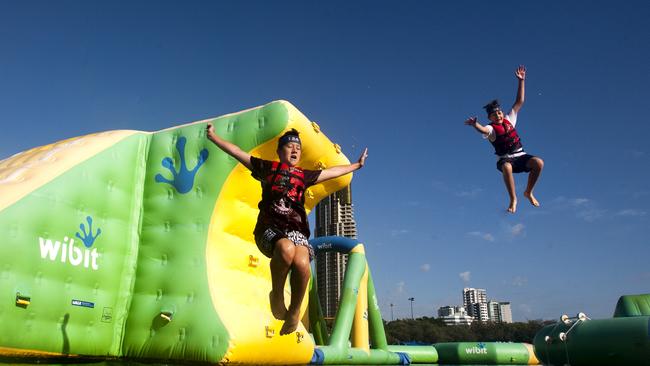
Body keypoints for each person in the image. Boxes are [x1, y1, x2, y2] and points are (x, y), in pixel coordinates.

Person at [206, 123, 368, 335]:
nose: (294, 150)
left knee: (302, 264)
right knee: (286, 249)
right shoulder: (267, 168)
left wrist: (355, 166)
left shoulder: (304, 175)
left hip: (297, 232)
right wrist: (213, 137)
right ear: (279, 151)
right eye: (289, 147)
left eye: (298, 148)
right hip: (269, 229)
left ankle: (293, 312)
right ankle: (277, 296)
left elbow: (331, 172)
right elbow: (237, 152)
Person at [464, 65, 544, 213]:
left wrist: (521, 81)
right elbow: (483, 129)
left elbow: (519, 101)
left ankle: (528, 192)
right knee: (507, 167)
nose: (499, 116)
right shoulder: (491, 129)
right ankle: (513, 199)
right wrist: (475, 124)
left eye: (499, 113)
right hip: (506, 159)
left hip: (520, 156)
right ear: (489, 118)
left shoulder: (509, 120)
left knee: (538, 162)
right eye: (494, 115)